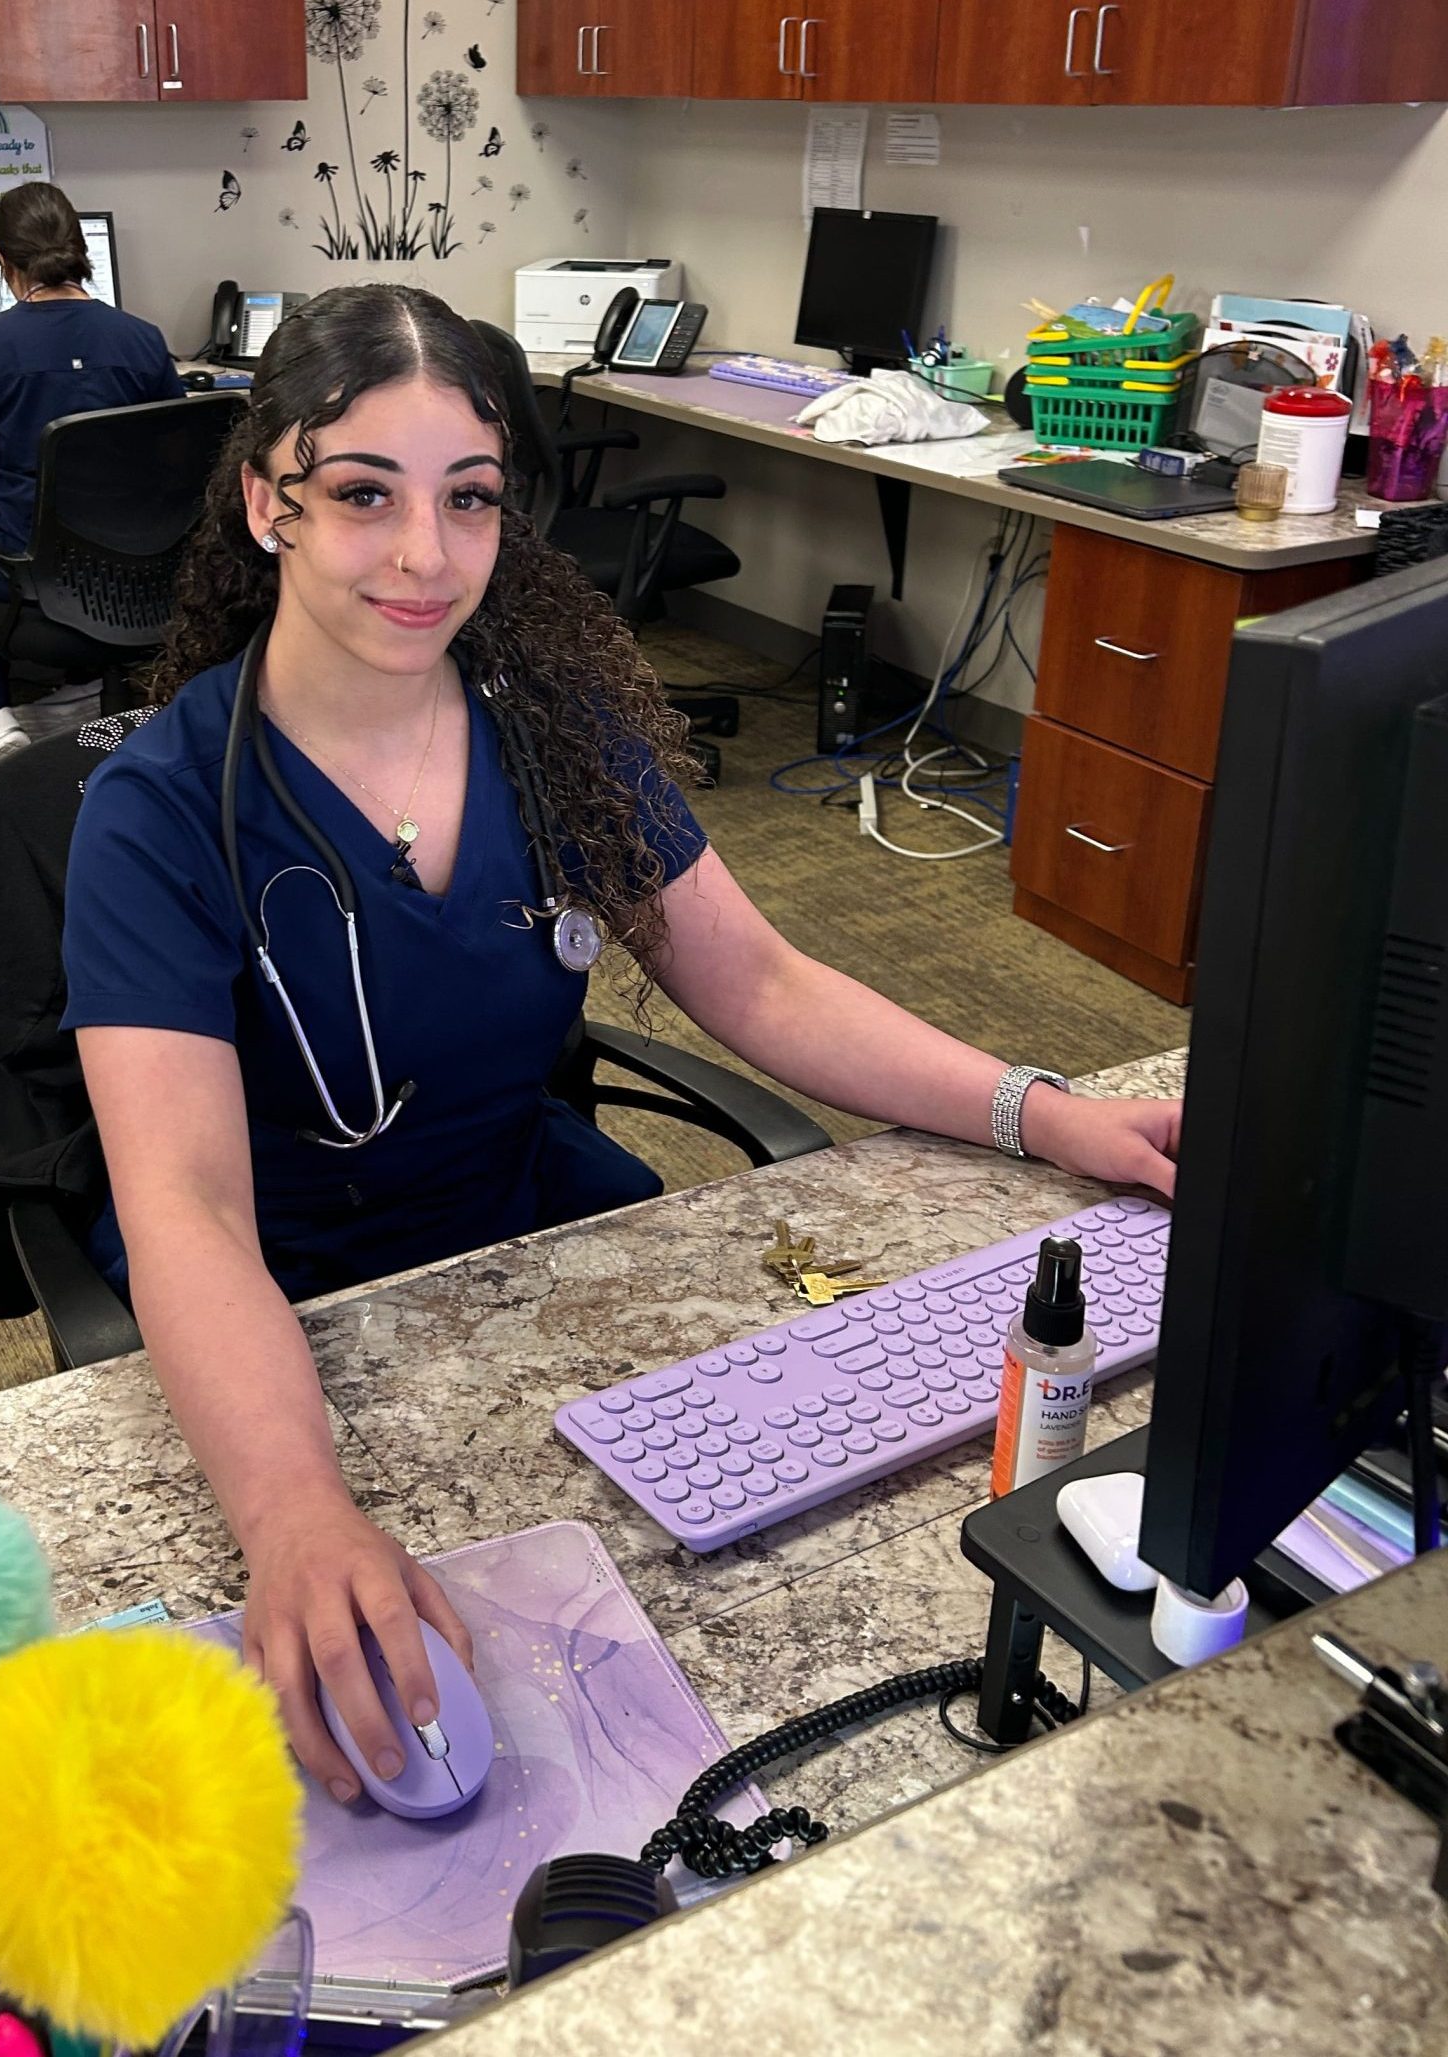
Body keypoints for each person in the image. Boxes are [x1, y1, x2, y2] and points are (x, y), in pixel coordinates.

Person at [60, 284, 1182, 1809]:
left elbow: (764, 987)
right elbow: (182, 1206)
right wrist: (297, 1516)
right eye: (360, 496)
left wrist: (1038, 1112)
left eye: (471, 500)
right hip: (293, 1318)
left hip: (540, 1266)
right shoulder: (161, 811)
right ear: (267, 502)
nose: (423, 557)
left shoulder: (547, 731)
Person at [0, 182, 184, 795]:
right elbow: (172, 450)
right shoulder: (142, 339)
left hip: (34, 579)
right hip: (139, 577)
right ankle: (90, 697)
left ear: (3, 262)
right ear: (81, 252)